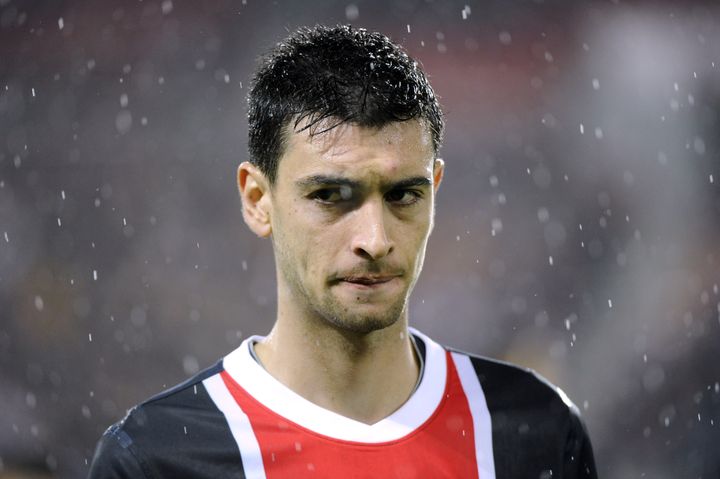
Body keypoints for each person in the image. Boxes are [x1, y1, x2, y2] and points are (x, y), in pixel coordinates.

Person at [88, 25, 597, 478]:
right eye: (330, 196)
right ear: (257, 200)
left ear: (435, 189)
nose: (374, 239)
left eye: (403, 195)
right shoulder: (158, 459)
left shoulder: (537, 432)